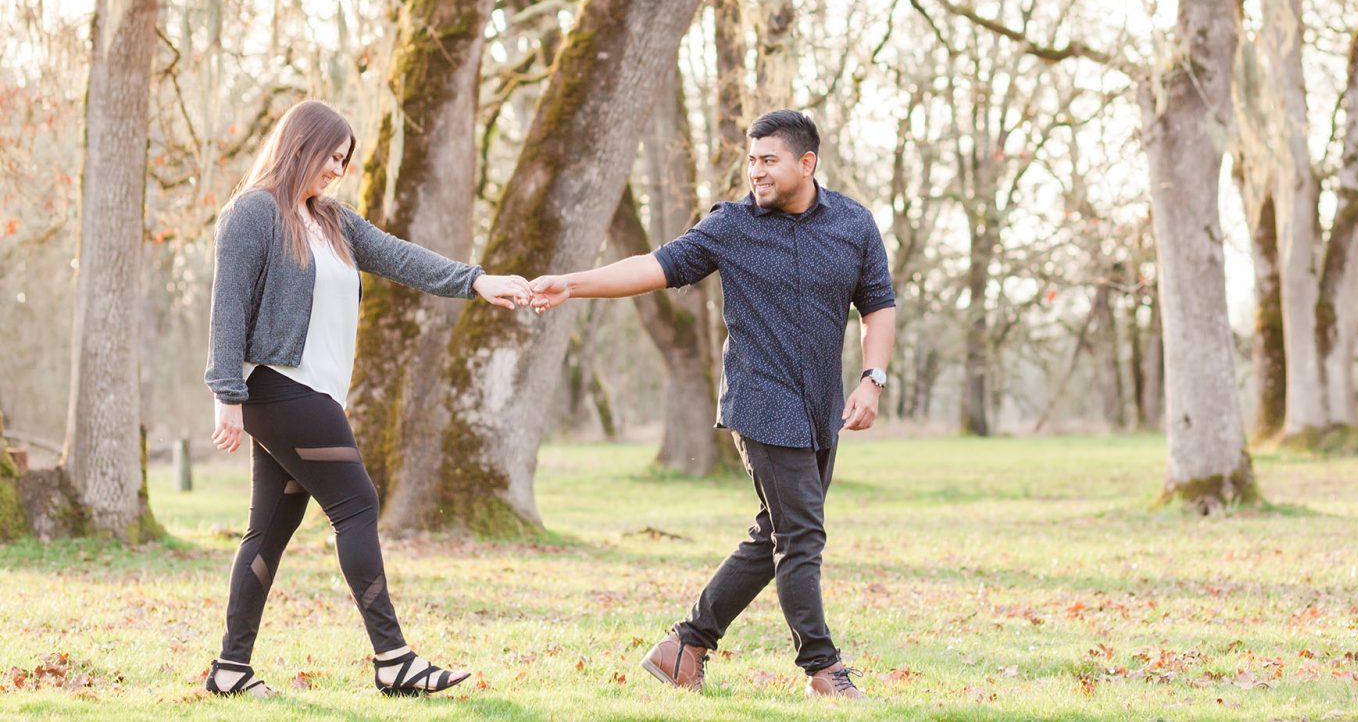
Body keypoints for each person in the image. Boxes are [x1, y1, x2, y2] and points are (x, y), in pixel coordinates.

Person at [529, 109, 896, 700]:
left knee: (775, 532)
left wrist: (872, 378)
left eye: (768, 160)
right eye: (751, 160)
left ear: (807, 163)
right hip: (761, 400)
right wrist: (571, 283)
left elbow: (878, 302)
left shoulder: (853, 223)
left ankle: (684, 647)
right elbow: (653, 267)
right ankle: (823, 669)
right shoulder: (731, 226)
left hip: (821, 406)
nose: (756, 171)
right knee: (802, 536)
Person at [201, 99, 530, 698]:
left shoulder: (331, 221)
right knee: (356, 505)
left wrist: (478, 281)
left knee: (268, 532)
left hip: (312, 389)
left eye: (345, 161)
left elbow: (403, 258)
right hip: (278, 384)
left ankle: (229, 670)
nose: (337, 169)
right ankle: (393, 659)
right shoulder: (253, 214)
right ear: (301, 144)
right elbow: (228, 308)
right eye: (331, 155)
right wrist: (226, 394)